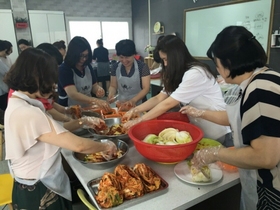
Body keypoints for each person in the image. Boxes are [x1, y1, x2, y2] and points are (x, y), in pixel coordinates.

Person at [4, 48, 117, 209]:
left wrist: (81, 121)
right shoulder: (27, 112)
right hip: (39, 188)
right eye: (49, 79)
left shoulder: (19, 102)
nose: (53, 85)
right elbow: (79, 145)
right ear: (36, 78)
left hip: (31, 183)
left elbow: (54, 130)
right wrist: (106, 145)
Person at [185, 26, 280, 210]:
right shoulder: (252, 82)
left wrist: (215, 153)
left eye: (217, 62)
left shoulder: (260, 88)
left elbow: (265, 156)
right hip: (255, 184)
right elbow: (235, 117)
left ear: (228, 62)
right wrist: (201, 113)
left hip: (271, 191)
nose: (216, 67)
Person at [123, 35, 232, 146]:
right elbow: (159, 98)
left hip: (218, 131)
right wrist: (135, 110)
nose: (165, 64)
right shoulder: (178, 73)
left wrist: (140, 120)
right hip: (201, 129)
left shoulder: (196, 73)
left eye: (166, 59)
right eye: (163, 60)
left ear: (176, 57)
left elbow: (168, 103)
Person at [58, 36, 111, 111]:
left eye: (86, 56)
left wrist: (98, 90)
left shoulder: (87, 66)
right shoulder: (64, 69)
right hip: (69, 111)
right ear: (73, 54)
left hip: (87, 108)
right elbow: (73, 94)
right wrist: (95, 100)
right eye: (81, 56)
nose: (83, 59)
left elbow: (94, 86)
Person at [107, 39, 150, 109]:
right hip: (121, 105)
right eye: (121, 57)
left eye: (127, 57)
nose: (124, 60)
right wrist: (111, 94)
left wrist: (133, 101)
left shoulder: (142, 67)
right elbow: (113, 85)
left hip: (139, 105)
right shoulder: (115, 67)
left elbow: (146, 89)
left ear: (134, 54)